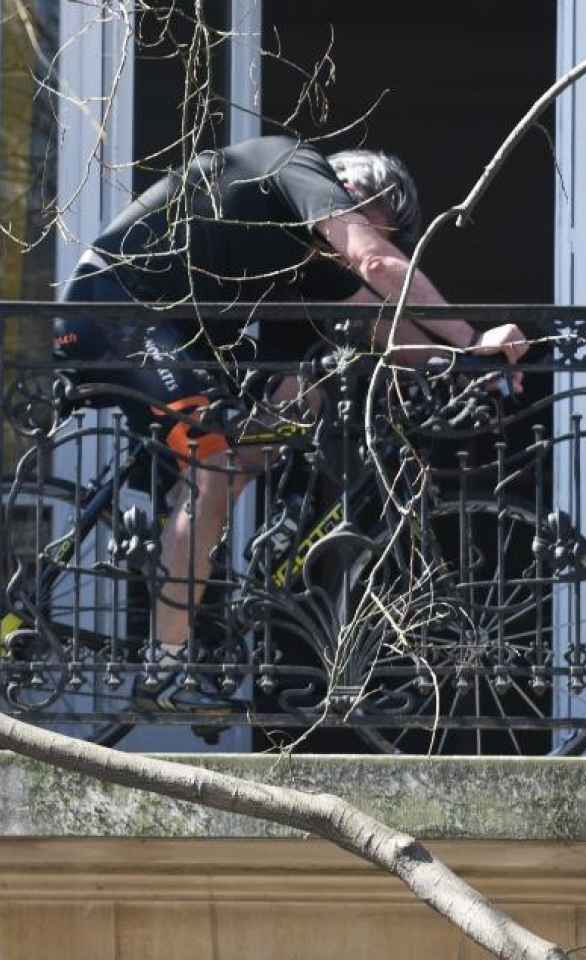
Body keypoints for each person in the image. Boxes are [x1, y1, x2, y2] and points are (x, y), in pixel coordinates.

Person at [55, 135, 528, 695]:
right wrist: (472, 336)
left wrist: (463, 365)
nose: (381, 246)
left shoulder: (306, 256)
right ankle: (166, 661)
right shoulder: (295, 165)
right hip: (116, 309)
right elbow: (375, 264)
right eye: (380, 226)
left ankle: (209, 600)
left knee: (281, 414)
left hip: (174, 330)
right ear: (349, 193)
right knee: (217, 465)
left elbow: (384, 326)